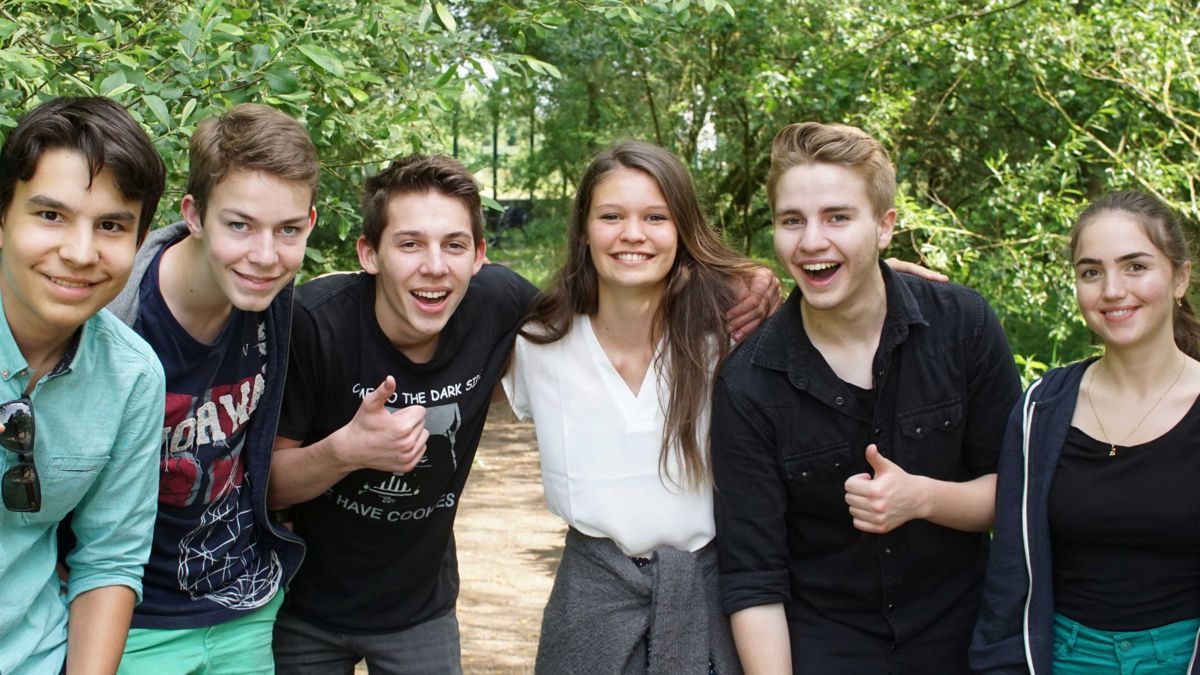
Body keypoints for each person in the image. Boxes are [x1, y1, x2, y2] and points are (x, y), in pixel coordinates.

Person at [267, 153, 779, 673]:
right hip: (308, 600)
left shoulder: (718, 336)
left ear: (478, 256)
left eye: (655, 216)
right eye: (409, 243)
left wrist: (754, 278)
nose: (434, 265)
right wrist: (347, 450)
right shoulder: (320, 322)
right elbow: (264, 482)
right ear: (369, 253)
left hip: (423, 607)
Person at [710, 121, 1021, 674]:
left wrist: (921, 498)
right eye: (792, 220)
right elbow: (754, 577)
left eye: (837, 217)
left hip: (965, 641)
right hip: (826, 647)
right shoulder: (747, 383)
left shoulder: (963, 326)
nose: (811, 241)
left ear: (884, 226)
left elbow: (1016, 493)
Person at [502, 140, 759, 673]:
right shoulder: (537, 342)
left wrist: (890, 278)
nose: (633, 234)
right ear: (584, 229)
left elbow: (836, 315)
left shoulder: (727, 338)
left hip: (707, 594)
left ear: (682, 229)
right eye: (611, 216)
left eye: (655, 217)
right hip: (589, 601)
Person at [106, 103, 316, 673]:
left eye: (288, 230)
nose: (265, 256)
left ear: (309, 223)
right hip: (128, 620)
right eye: (239, 225)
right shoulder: (115, 315)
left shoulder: (275, 303)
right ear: (194, 215)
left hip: (241, 606)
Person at [971, 191, 1200, 674]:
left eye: (1135, 266)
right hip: (1062, 658)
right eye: (1091, 272)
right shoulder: (1042, 408)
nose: (1112, 290)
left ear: (1180, 278)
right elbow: (1010, 572)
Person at [0, 97, 166, 674]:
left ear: (140, 241)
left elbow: (110, 558)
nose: (79, 253)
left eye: (111, 226)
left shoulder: (131, 377)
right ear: (3, 218)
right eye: (50, 215)